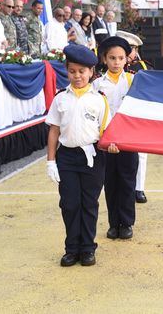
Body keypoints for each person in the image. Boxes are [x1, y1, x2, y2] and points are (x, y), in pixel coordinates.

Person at [45, 44, 116, 267]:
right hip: (66, 157)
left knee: (88, 203)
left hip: (92, 156)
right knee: (69, 203)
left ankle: (87, 248)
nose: (77, 76)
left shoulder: (99, 99)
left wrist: (112, 145)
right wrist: (51, 161)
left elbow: (107, 132)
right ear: (67, 71)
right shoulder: (60, 98)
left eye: (82, 71)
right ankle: (71, 249)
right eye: (72, 71)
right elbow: (54, 130)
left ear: (91, 73)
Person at [93, 37, 139, 241]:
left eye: (121, 58)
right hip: (105, 141)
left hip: (128, 140)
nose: (117, 62)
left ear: (126, 59)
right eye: (112, 58)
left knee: (127, 183)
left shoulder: (133, 81)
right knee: (110, 184)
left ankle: (127, 223)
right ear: (104, 59)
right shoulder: (96, 84)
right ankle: (114, 223)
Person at [118, 30, 153, 204]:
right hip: (118, 115)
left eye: (132, 49)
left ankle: (139, 188)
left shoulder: (142, 67)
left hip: (137, 116)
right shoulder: (111, 66)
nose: (132, 53)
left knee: (141, 154)